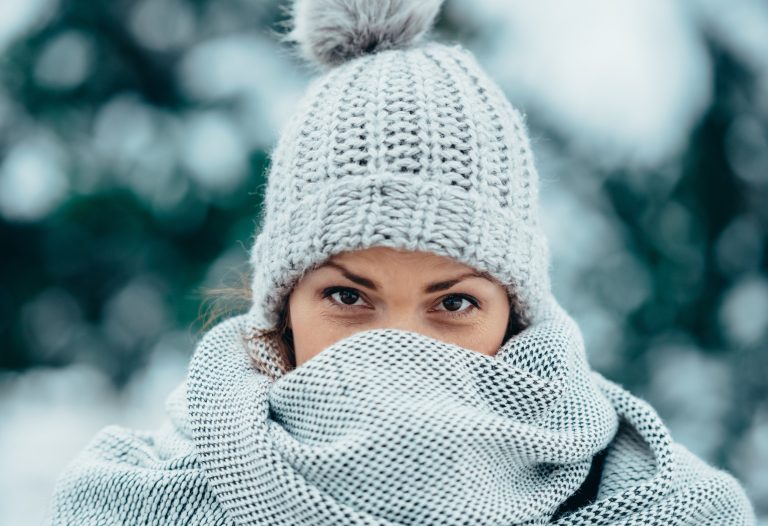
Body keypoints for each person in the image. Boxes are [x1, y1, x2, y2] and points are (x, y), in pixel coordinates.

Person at [48, 0, 757, 524]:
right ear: (282, 306)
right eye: (349, 299)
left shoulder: (665, 508)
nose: (399, 349)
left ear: (516, 315)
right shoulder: (133, 503)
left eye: (453, 304)